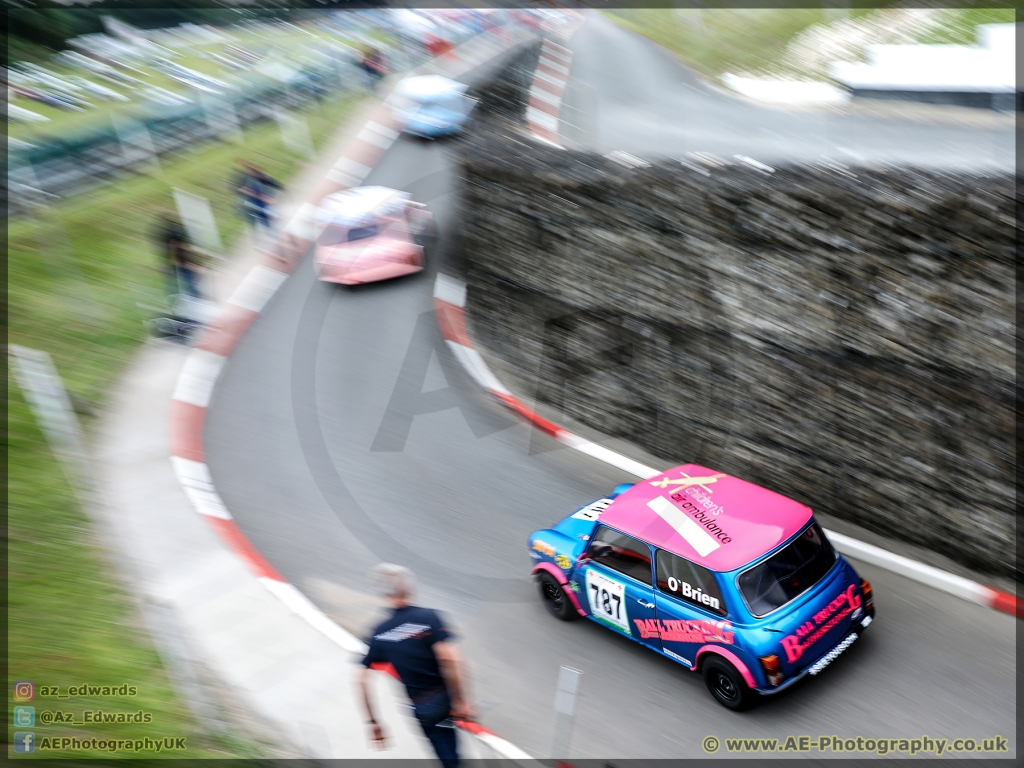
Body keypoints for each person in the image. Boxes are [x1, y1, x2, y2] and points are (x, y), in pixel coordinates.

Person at [358, 564, 474, 768]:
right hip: (443, 695)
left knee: (447, 756)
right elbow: (452, 659)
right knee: (453, 751)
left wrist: (373, 722)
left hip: (421, 706)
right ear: (409, 588)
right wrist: (461, 700)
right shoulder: (428, 617)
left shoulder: (378, 632)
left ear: (384, 593)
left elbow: (361, 680)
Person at [154, 210, 202, 299]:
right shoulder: (174, 232)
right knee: (190, 283)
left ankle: (192, 298)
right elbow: (178, 247)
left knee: (184, 284)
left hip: (176, 263)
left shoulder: (172, 231)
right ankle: (195, 299)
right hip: (179, 263)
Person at [235, 160, 281, 236]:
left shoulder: (253, 181)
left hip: (260, 204)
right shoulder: (250, 182)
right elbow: (253, 193)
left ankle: (273, 233)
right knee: (267, 221)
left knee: (269, 221)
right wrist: (267, 199)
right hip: (259, 205)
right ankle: (273, 234)